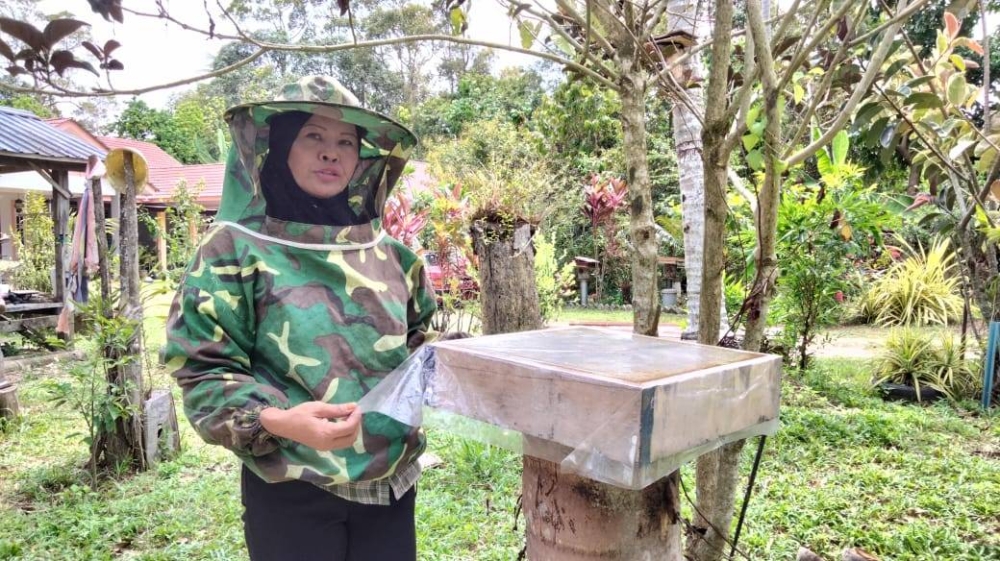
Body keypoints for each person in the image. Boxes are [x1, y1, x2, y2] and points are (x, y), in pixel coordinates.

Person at [163, 76, 437, 561]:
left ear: (361, 159)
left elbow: (420, 352)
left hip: (391, 485)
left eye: (345, 142)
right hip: (291, 488)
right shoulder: (232, 251)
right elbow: (203, 370)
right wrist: (279, 421)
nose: (331, 153)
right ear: (281, 145)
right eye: (313, 136)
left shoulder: (396, 258)